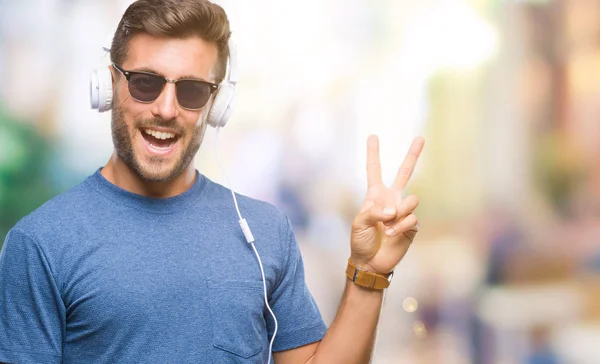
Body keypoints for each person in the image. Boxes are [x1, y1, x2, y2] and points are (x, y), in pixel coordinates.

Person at [0, 0, 424, 363]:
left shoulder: (264, 232)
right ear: (110, 85)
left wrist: (368, 272)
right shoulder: (40, 243)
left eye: (191, 91)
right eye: (145, 83)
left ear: (217, 104)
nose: (166, 109)